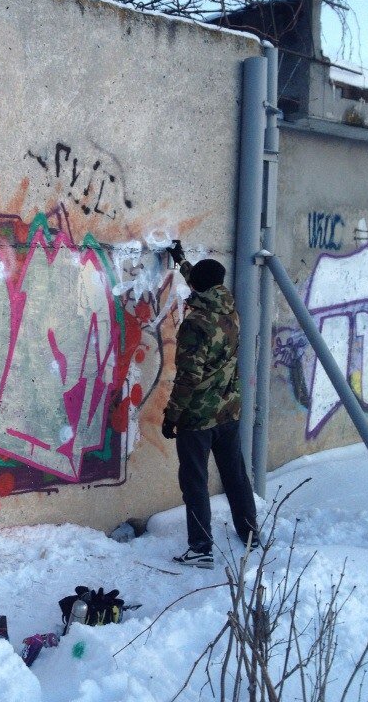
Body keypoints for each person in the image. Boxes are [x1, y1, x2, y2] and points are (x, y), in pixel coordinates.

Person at [162, 244, 260, 569]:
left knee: (195, 482)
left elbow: (188, 377)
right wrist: (181, 261)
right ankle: (250, 534)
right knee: (235, 475)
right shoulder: (230, 310)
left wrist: (172, 415)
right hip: (228, 412)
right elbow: (200, 282)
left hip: (198, 417)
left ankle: (201, 548)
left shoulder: (196, 324)